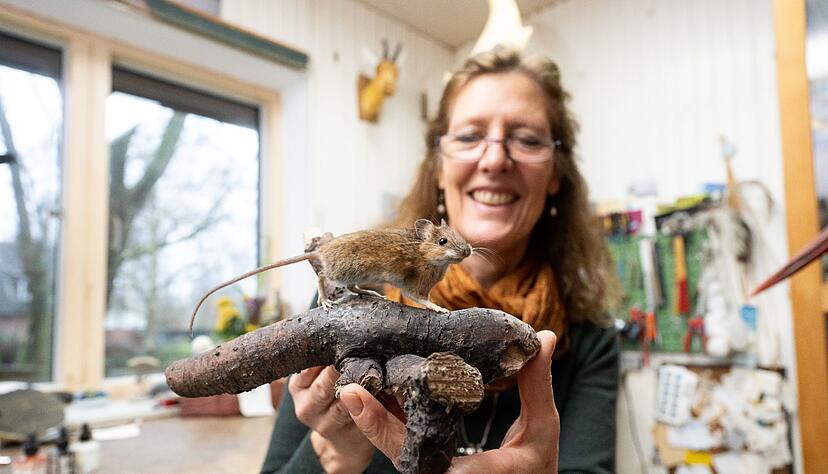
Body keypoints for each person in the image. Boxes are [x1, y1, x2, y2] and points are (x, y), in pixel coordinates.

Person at [261, 47, 619, 474]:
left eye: (526, 139)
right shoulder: (347, 302)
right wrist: (336, 457)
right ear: (438, 166)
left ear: (556, 174)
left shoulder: (589, 335)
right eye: (469, 136)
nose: (494, 159)